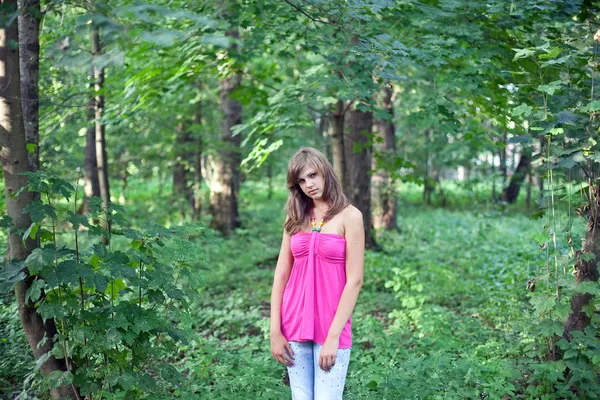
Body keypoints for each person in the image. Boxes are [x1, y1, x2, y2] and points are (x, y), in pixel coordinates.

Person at [270, 147, 365, 400]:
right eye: (301, 180)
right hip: (294, 324)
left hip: (331, 327)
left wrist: (333, 337)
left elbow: (355, 280)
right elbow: (281, 274)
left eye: (313, 175)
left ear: (325, 172)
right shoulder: (295, 217)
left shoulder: (350, 216)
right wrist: (274, 331)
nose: (308, 184)